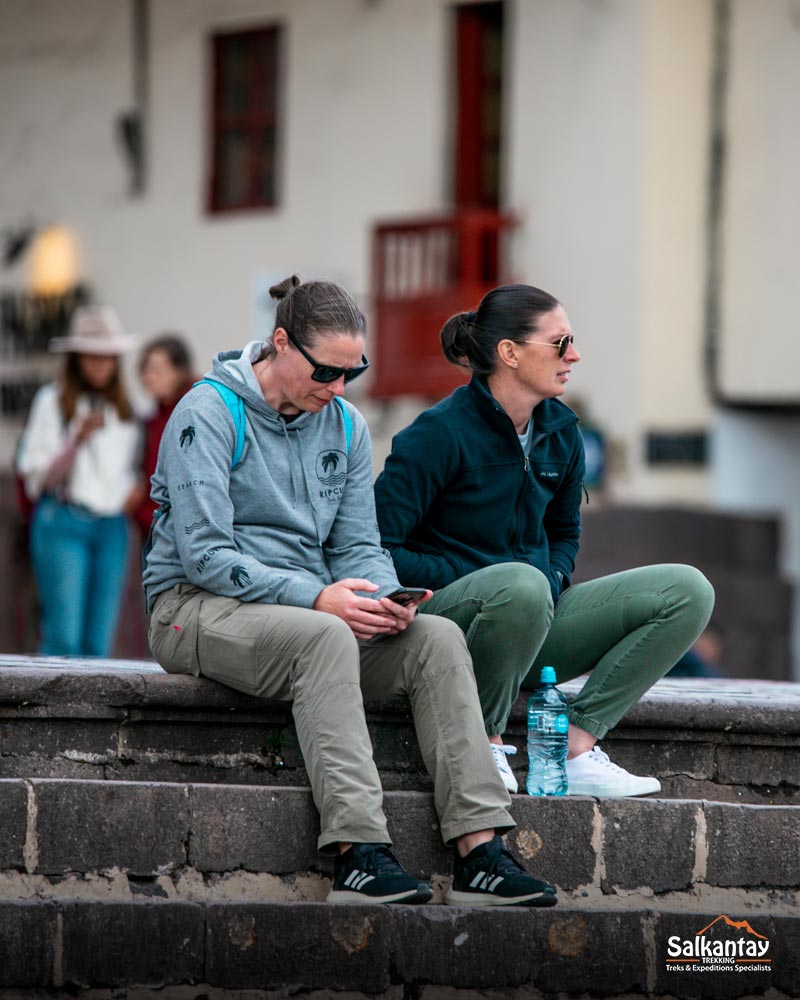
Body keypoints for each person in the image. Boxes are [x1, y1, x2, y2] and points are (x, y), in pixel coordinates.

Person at [142, 276, 556, 907]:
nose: (338, 389)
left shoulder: (345, 425)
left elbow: (360, 544)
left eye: (351, 373)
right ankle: (358, 855)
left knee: (437, 639)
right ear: (280, 344)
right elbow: (203, 556)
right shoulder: (206, 413)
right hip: (193, 608)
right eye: (326, 373)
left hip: (310, 612)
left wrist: (386, 598)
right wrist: (317, 599)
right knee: (325, 636)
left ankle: (482, 855)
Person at [374, 284, 715, 797]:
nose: (573, 355)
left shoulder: (562, 431)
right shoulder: (436, 435)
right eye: (560, 343)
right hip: (453, 628)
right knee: (519, 586)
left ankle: (575, 748)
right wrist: (487, 581)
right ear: (509, 353)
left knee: (688, 590)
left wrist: (552, 578)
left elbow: (563, 532)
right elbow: (378, 546)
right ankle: (483, 740)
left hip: (535, 617)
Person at [16, 306, 142, 657]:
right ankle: (52, 715)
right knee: (63, 638)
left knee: (98, 645)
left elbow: (134, 468)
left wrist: (137, 489)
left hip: (112, 526)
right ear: (76, 358)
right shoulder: (51, 402)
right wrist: (76, 439)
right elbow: (37, 478)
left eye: (107, 356)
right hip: (65, 519)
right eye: (92, 355)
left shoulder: (127, 409)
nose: (100, 364)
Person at [134, 334, 195, 538]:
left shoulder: (194, 414)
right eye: (146, 370)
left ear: (180, 372)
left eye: (158, 371)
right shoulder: (150, 419)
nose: (149, 377)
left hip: (185, 527)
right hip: (152, 524)